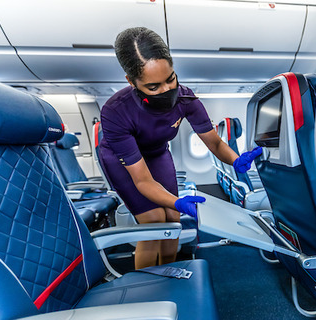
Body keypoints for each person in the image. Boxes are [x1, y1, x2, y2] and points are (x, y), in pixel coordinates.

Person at [99, 27, 262, 269]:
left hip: (156, 153)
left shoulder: (186, 99)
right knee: (154, 223)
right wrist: (176, 200)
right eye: (153, 86)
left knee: (173, 221)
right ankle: (146, 285)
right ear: (131, 82)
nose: (166, 90)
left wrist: (235, 160)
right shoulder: (115, 111)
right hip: (122, 161)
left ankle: (168, 273)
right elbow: (143, 181)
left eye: (170, 79)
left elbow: (214, 142)